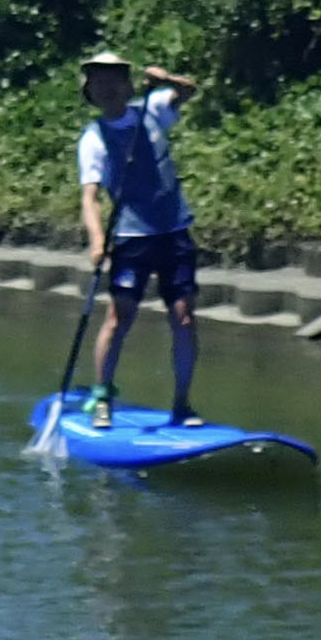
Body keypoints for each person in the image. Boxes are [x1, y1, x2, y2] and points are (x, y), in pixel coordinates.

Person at [77, 50, 203, 425]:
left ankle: (182, 404)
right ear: (90, 91)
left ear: (127, 85)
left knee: (183, 318)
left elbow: (188, 91)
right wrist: (97, 241)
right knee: (119, 318)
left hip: (173, 231)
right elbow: (90, 197)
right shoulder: (94, 138)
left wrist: (167, 80)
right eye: (99, 83)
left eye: (114, 80)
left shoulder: (153, 109)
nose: (108, 88)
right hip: (132, 238)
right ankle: (102, 396)